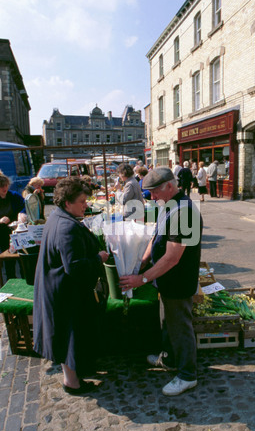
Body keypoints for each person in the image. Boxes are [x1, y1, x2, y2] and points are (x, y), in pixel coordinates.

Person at [120, 167, 202, 396]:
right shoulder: (168, 206)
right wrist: (143, 260)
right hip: (165, 280)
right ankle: (170, 359)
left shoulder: (185, 212)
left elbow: (172, 257)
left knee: (180, 327)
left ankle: (187, 375)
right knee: (167, 323)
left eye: (154, 192)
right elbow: (156, 237)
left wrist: (142, 278)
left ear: (170, 185)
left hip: (178, 281)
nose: (151, 197)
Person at [33, 177, 109, 396]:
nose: (86, 205)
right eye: (82, 201)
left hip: (59, 287)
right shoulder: (66, 226)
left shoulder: (59, 217)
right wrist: (99, 258)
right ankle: (72, 383)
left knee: (69, 334)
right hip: (63, 292)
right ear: (68, 203)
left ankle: (75, 372)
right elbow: (74, 267)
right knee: (68, 335)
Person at [0, 173, 27, 279]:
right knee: (8, 261)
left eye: (6, 185)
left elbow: (25, 206)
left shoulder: (14, 195)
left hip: (17, 232)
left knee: (22, 259)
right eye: (1, 186)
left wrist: (22, 213)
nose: (4, 188)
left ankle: (25, 280)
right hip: (2, 234)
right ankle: (11, 281)